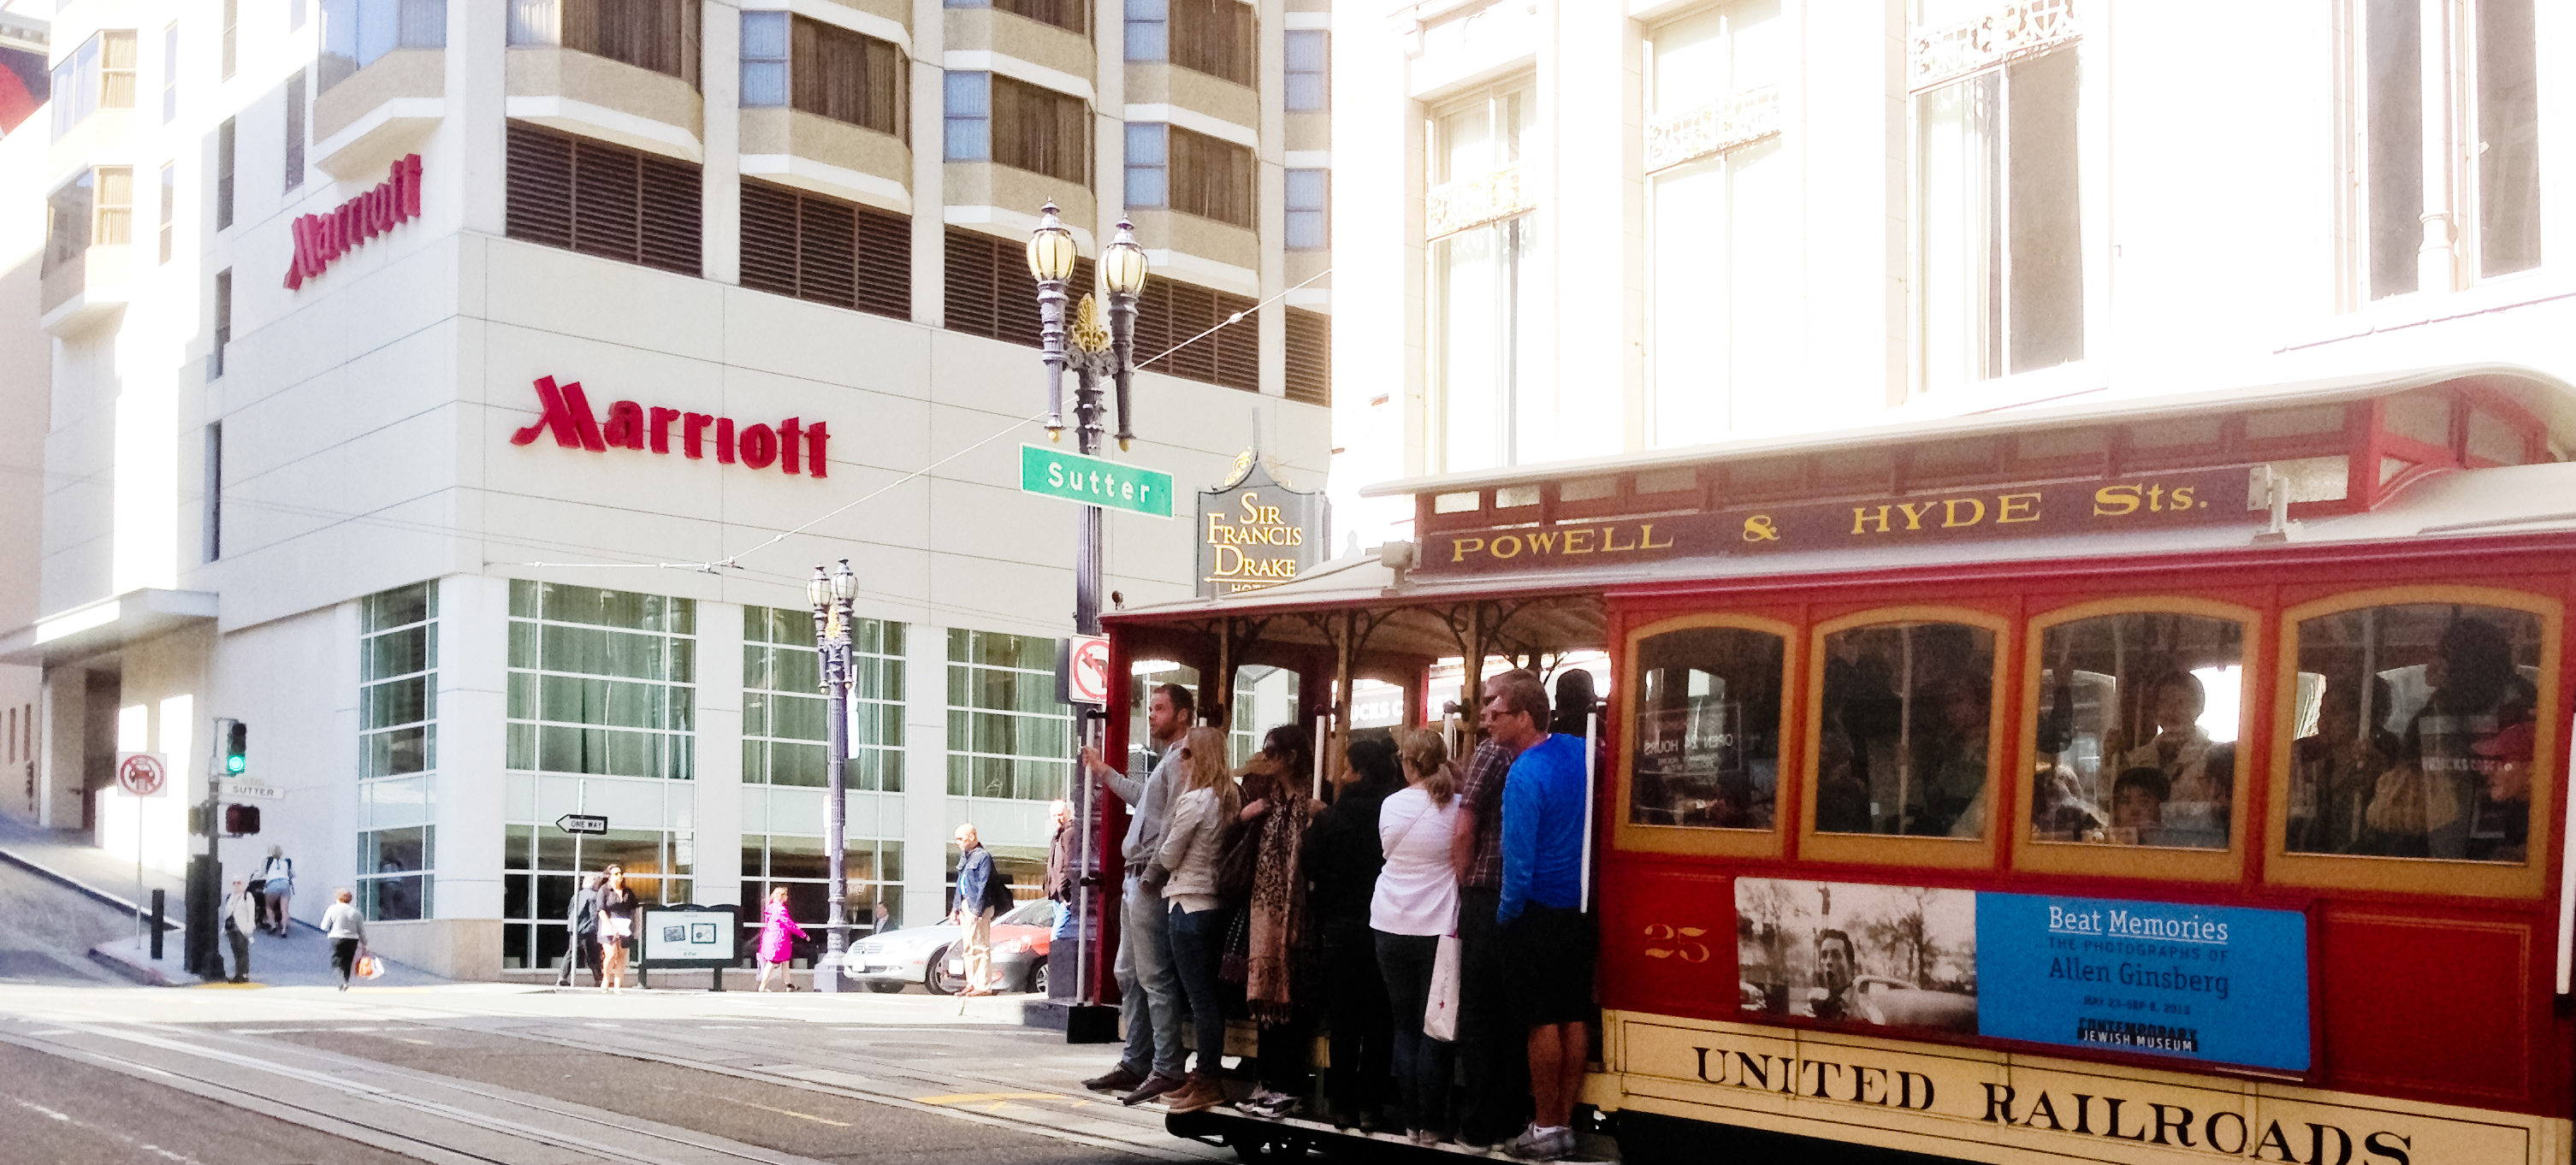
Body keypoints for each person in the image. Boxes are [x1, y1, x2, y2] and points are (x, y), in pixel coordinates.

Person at [1485, 670, 1596, 1162]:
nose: (1486, 720)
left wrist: (1506, 918)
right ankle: (1564, 1123)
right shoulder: (1577, 750)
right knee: (1573, 1015)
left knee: (1540, 1021)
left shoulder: (1523, 774)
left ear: (1524, 717)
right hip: (1580, 908)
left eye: (1495, 711)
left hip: (1536, 911)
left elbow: (1518, 862)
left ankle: (1545, 1125)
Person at [1080, 682, 1193, 1105]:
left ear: (1183, 714)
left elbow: (1176, 822)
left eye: (1160, 708)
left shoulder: (1181, 759)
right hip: (1138, 876)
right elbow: (1145, 802)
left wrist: (1152, 874)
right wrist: (1105, 772)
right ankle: (1137, 1061)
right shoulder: (1167, 761)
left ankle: (1163, 1065)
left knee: (1153, 976)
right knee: (1129, 973)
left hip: (1147, 877)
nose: (1152, 715)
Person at [1451, 671, 1537, 1150]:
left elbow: (1466, 823)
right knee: (1512, 1014)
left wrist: (1462, 882)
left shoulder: (1490, 752)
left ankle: (1479, 1124)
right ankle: (1510, 1115)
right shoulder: (1541, 750)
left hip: (1486, 892)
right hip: (1526, 894)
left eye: (1490, 703)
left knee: (1481, 1014)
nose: (1482, 713)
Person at [1301, 733, 1401, 1130]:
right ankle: (1370, 1107)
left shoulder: (1332, 817)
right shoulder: (1391, 810)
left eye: (1345, 767)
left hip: (1339, 926)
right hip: (1383, 923)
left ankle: (1341, 1105)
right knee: (1380, 1020)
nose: (1341, 774)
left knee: (1345, 1020)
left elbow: (1309, 863)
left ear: (1358, 771)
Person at [1376, 730, 1465, 1145]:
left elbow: (1387, 853)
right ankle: (1432, 1122)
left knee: (1404, 1025)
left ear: (1407, 763)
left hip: (1390, 922)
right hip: (1438, 927)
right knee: (1437, 1027)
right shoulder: (1458, 807)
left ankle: (1410, 1120)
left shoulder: (1391, 805)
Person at [1147, 724, 1240, 1115]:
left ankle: (1206, 1077)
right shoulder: (1231, 797)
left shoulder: (1195, 801)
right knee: (1209, 998)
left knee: (1200, 1000)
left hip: (1187, 905)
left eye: (1186, 754)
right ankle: (1204, 1075)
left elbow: (1169, 855)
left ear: (1200, 757)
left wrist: (1152, 872)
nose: (1180, 760)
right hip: (1216, 905)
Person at [1238, 724, 1321, 1119]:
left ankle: (1288, 1084)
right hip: (1264, 911)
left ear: (1290, 756)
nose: (1266, 758)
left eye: (1272, 751)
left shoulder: (1314, 798)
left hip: (1300, 910)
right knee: (1266, 999)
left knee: (1294, 998)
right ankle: (1267, 1080)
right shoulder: (1265, 801)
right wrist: (1243, 816)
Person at [950, 823, 1007, 996]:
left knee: (980, 946)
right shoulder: (966, 856)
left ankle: (983, 986)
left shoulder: (983, 857)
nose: (958, 842)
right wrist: (955, 907)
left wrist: (977, 909)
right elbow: (960, 883)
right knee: (968, 947)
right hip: (965, 904)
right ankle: (972, 982)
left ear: (972, 837)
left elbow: (984, 885)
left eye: (961, 838)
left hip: (979, 906)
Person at [1806, 930, 1882, 1023]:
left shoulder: (1866, 1011)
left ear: (1851, 967)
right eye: (1824, 955)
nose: (1829, 961)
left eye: (1836, 955)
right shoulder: (1813, 1007)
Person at [755, 886, 810, 992]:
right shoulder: (780, 909)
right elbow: (789, 924)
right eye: (785, 895)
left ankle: (788, 985)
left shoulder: (771, 908)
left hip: (772, 937)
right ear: (781, 896)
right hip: (779, 940)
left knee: (785, 961)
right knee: (772, 962)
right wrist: (803, 935)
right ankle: (763, 986)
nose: (787, 897)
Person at [597, 865, 640, 992]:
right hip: (608, 925)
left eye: (620, 873)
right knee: (611, 955)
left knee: (621, 957)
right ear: (609, 877)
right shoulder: (604, 891)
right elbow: (601, 910)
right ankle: (605, 979)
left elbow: (635, 910)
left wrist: (636, 927)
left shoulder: (628, 892)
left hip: (624, 925)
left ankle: (617, 985)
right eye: (616, 874)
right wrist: (610, 927)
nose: (619, 876)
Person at [2104, 766, 2171, 845]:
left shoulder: (2175, 847)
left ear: (2161, 809)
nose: (2134, 810)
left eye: (2143, 802)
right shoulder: (2101, 845)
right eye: (2125, 802)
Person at [557, 873, 601, 987]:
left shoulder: (576, 895)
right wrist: (598, 929)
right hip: (587, 929)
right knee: (593, 955)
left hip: (574, 929)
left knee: (571, 953)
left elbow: (570, 911)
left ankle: (562, 977)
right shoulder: (593, 896)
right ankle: (599, 979)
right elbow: (594, 914)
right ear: (594, 883)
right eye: (598, 882)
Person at [321, 887, 366, 991]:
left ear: (338, 898)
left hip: (337, 937)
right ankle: (346, 981)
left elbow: (324, 926)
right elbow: (361, 930)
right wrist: (364, 941)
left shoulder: (332, 909)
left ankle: (338, 981)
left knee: (337, 958)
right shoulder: (356, 912)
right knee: (348, 961)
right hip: (352, 939)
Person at [221, 878, 259, 984]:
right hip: (232, 929)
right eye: (234, 883)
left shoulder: (248, 897)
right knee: (236, 952)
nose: (237, 885)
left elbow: (251, 914)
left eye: (239, 883)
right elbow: (227, 913)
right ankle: (238, 974)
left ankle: (244, 975)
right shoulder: (231, 897)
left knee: (243, 952)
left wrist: (249, 928)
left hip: (242, 929)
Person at [255, 846, 295, 936]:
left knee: (269, 907)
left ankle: (273, 926)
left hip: (273, 885)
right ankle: (284, 930)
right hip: (285, 884)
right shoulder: (287, 861)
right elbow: (292, 874)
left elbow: (261, 873)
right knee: (284, 909)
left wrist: (253, 878)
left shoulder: (267, 861)